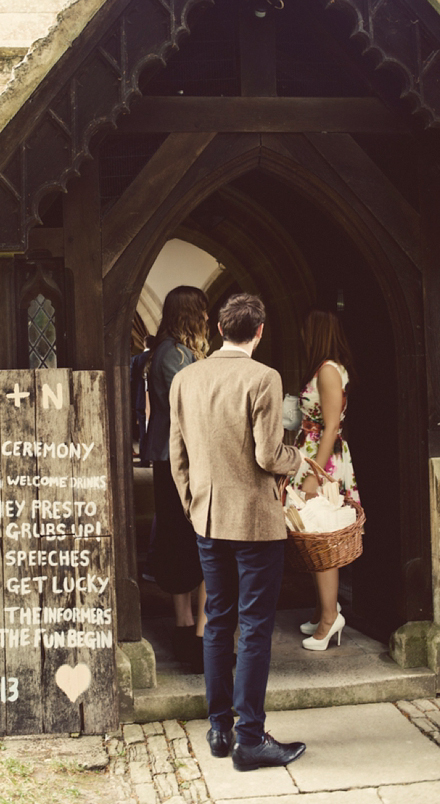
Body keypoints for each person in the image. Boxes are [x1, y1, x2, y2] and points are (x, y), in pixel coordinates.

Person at [169, 292, 306, 771]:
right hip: (254, 522)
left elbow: (177, 455)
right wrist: (300, 458)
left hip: (208, 518)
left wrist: (193, 506)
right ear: (259, 331)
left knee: (219, 622)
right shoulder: (263, 377)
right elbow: (269, 456)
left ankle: (219, 730)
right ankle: (250, 738)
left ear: (220, 330)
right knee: (254, 629)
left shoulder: (186, 377)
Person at [144, 286, 208, 672]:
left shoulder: (176, 351)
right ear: (189, 313)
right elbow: (195, 403)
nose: (206, 317)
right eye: (201, 311)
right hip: (178, 460)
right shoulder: (173, 354)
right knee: (185, 539)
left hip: (179, 457)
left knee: (183, 538)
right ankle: (189, 631)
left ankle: (191, 629)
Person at [290, 309, 361, 651]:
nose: (302, 337)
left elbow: (330, 426)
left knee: (322, 539)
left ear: (316, 333)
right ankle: (323, 611)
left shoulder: (328, 371)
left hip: (323, 463)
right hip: (314, 457)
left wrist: (315, 477)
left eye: (306, 331)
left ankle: (331, 619)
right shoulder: (324, 369)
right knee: (315, 536)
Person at [130, 335, 154, 467]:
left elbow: (132, 381)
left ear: (144, 344)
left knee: (143, 431)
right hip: (155, 400)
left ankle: (144, 459)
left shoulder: (137, 359)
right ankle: (155, 458)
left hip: (140, 400)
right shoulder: (156, 358)